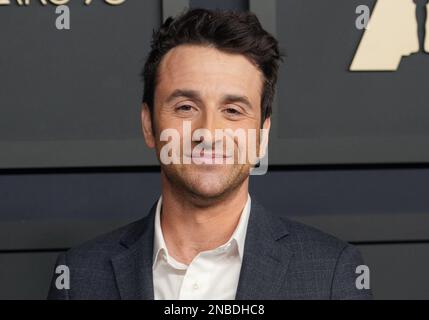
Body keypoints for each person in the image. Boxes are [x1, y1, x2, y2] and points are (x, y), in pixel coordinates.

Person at [48, 8, 372, 300]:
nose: (208, 132)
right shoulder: (78, 278)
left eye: (232, 110)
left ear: (262, 136)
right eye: (186, 107)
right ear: (149, 124)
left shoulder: (330, 274)